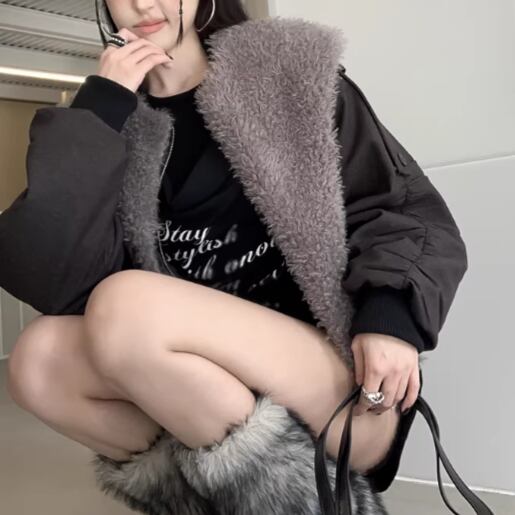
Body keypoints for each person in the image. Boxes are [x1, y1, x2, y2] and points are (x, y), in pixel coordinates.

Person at [0, 1, 468, 513]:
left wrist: (391, 316)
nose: (143, 3)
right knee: (37, 361)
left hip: (336, 385)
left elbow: (401, 207)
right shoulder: (115, 123)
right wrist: (98, 110)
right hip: (193, 386)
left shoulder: (289, 72)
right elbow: (49, 275)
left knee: (126, 304)